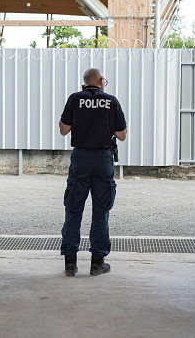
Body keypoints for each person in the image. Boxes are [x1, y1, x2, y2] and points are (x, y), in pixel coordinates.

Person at [59, 68, 127, 277]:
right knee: (101, 211)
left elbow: (63, 130)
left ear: (84, 84)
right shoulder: (111, 101)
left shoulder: (74, 98)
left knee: (73, 209)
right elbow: (122, 135)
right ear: (100, 82)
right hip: (102, 159)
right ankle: (97, 263)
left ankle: (70, 263)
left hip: (80, 159)